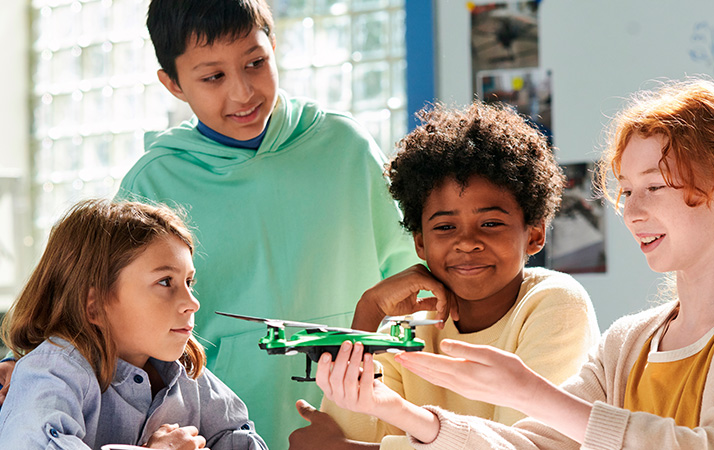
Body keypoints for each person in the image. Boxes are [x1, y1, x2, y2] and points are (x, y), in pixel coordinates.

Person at [310, 78, 714, 449]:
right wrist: (393, 411)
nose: (632, 212)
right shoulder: (628, 341)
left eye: (655, 187)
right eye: (626, 192)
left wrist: (528, 391)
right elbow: (531, 446)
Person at [0, 0, 423, 443]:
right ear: (173, 84)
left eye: (256, 63)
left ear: (274, 47)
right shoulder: (155, 177)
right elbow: (96, 285)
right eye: (213, 76)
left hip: (351, 412)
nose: (242, 92)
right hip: (208, 421)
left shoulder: (346, 147)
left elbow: (404, 280)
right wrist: (21, 362)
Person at [287, 101, 601, 450]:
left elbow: (519, 444)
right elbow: (347, 430)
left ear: (535, 234)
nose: (467, 243)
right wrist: (369, 310)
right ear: (420, 242)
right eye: (445, 226)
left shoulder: (554, 303)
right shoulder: (407, 327)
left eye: (491, 223)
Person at [0, 199, 267, 449]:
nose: (192, 303)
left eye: (189, 283)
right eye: (165, 282)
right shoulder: (54, 370)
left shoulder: (186, 374)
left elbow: (238, 439)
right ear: (93, 304)